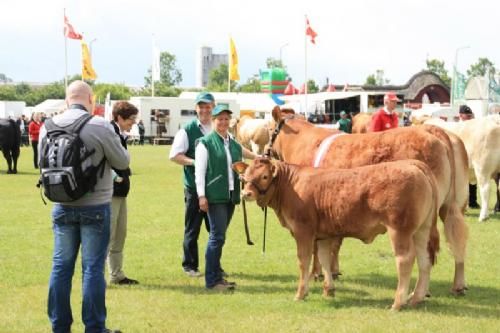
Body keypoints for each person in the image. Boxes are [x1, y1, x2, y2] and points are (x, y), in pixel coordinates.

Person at [41, 80, 129, 333]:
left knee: (60, 267)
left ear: (67, 100)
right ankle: (94, 327)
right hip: (95, 205)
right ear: (91, 99)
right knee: (92, 269)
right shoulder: (99, 125)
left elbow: (41, 163)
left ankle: (59, 326)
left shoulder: (48, 127)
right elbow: (122, 161)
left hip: (62, 205)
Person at [195, 103, 254, 291]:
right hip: (215, 196)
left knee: (219, 237)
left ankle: (218, 277)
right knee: (216, 237)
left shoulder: (232, 142)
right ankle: (212, 281)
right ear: (213, 121)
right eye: (220, 119)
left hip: (230, 195)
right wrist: (202, 196)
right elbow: (200, 172)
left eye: (226, 119)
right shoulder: (205, 143)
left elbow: (238, 166)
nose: (223, 122)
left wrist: (243, 175)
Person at [169, 92, 214, 277]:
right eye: (201, 106)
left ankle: (213, 265)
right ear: (196, 108)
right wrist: (196, 162)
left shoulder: (218, 128)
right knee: (193, 228)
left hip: (215, 188)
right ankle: (190, 265)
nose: (204, 110)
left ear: (213, 107)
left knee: (216, 230)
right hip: (195, 188)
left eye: (208, 106)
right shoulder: (186, 130)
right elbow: (174, 156)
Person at [107, 101, 139, 285]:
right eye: (131, 119)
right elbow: (100, 158)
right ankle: (98, 277)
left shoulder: (119, 133)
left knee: (120, 233)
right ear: (119, 117)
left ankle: (116, 274)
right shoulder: (109, 133)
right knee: (108, 235)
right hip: (110, 192)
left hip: (121, 192)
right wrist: (113, 176)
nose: (133, 122)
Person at [458, 104, 480, 209]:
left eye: (470, 116)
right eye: (468, 116)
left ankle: (472, 201)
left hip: (472, 153)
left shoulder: (473, 126)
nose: (470, 118)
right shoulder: (458, 127)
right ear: (461, 116)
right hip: (461, 154)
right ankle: (464, 203)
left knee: (473, 179)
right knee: (463, 180)